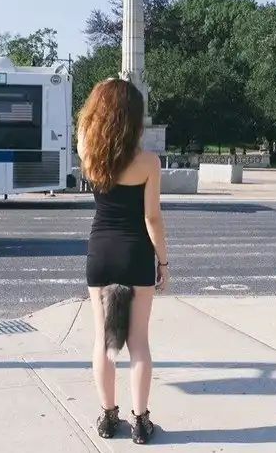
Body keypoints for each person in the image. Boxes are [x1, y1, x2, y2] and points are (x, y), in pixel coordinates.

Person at [77, 78, 169, 445]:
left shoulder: (89, 153)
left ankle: (107, 415)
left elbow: (83, 127)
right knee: (138, 342)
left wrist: (101, 93)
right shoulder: (148, 162)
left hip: (100, 254)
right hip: (136, 254)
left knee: (103, 340)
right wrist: (163, 262)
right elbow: (152, 218)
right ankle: (141, 422)